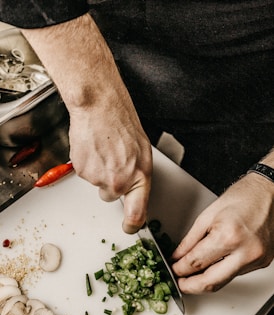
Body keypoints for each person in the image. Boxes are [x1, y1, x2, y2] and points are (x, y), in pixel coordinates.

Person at [1, 1, 273, 295]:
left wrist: (269, 182)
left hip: (252, 96)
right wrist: (93, 100)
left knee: (213, 231)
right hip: (103, 49)